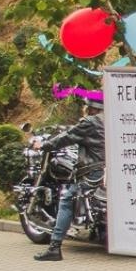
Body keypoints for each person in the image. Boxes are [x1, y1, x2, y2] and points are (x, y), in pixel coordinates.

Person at [32, 101, 106, 262]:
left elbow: (67, 137)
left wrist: (44, 145)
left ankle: (54, 247)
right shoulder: (114, 119)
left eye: (86, 107)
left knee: (66, 199)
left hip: (94, 171)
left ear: (91, 108)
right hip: (111, 171)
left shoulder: (90, 122)